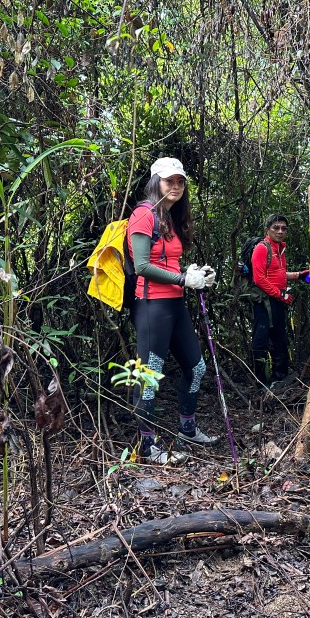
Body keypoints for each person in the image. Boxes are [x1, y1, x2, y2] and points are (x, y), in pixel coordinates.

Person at [126, 156, 218, 465]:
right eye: (169, 181)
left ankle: (187, 430)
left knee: (197, 368)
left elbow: (168, 261)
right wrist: (183, 279)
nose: (175, 186)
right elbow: (142, 265)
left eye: (180, 181)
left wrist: (194, 274)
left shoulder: (170, 217)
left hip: (175, 304)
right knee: (149, 376)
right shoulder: (143, 215)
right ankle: (147, 446)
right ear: (156, 182)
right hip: (152, 306)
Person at [250, 214, 308, 388]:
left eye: (283, 228)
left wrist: (300, 276)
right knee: (261, 339)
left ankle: (280, 377)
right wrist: (281, 295)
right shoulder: (262, 248)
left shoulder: (280, 249)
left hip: (276, 300)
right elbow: (259, 278)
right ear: (267, 230)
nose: (280, 231)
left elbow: (278, 274)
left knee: (279, 337)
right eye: (276, 228)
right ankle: (261, 382)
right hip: (264, 301)